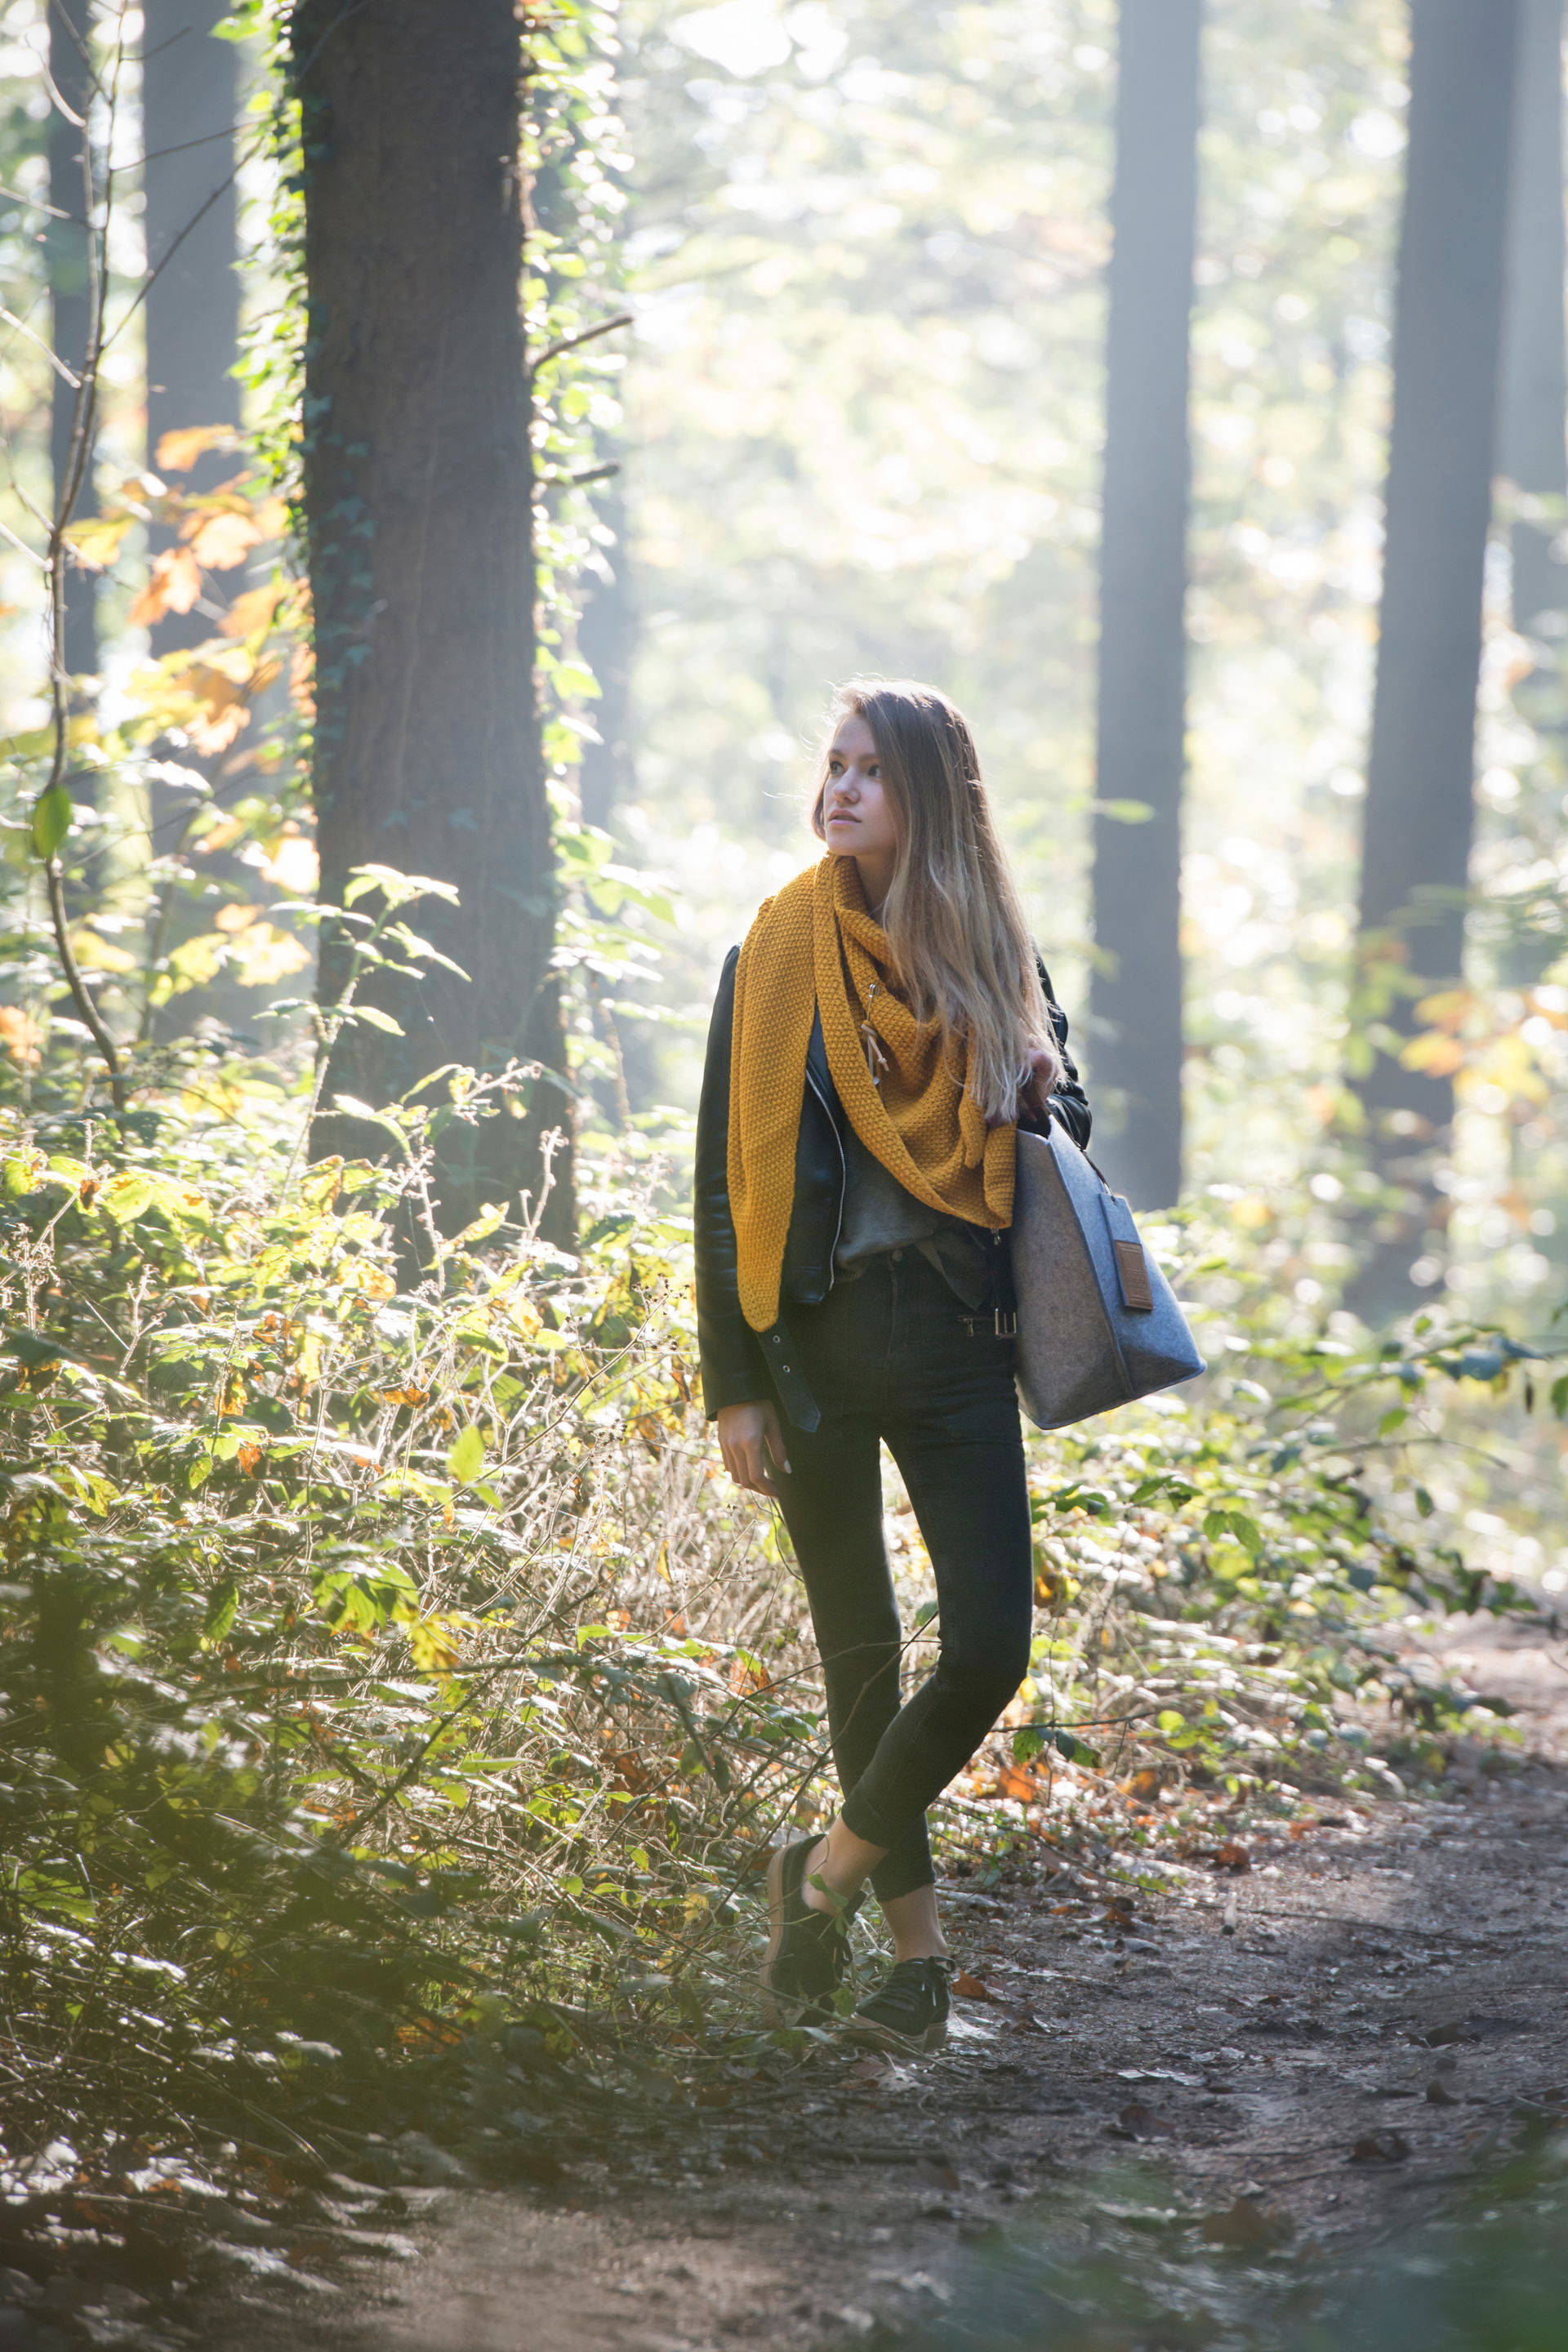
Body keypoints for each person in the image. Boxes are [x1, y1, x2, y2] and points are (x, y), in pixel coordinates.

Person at [693, 679, 1093, 2057]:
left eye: (872, 770)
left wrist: (1040, 1090)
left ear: (929, 794)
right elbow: (717, 1183)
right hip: (808, 1349)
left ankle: (821, 1879)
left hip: (956, 1348)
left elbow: (1066, 1127)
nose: (842, 789)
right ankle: (915, 1966)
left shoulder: (990, 952)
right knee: (857, 1659)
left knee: (989, 1644)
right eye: (834, 764)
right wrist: (731, 1381)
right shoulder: (774, 951)